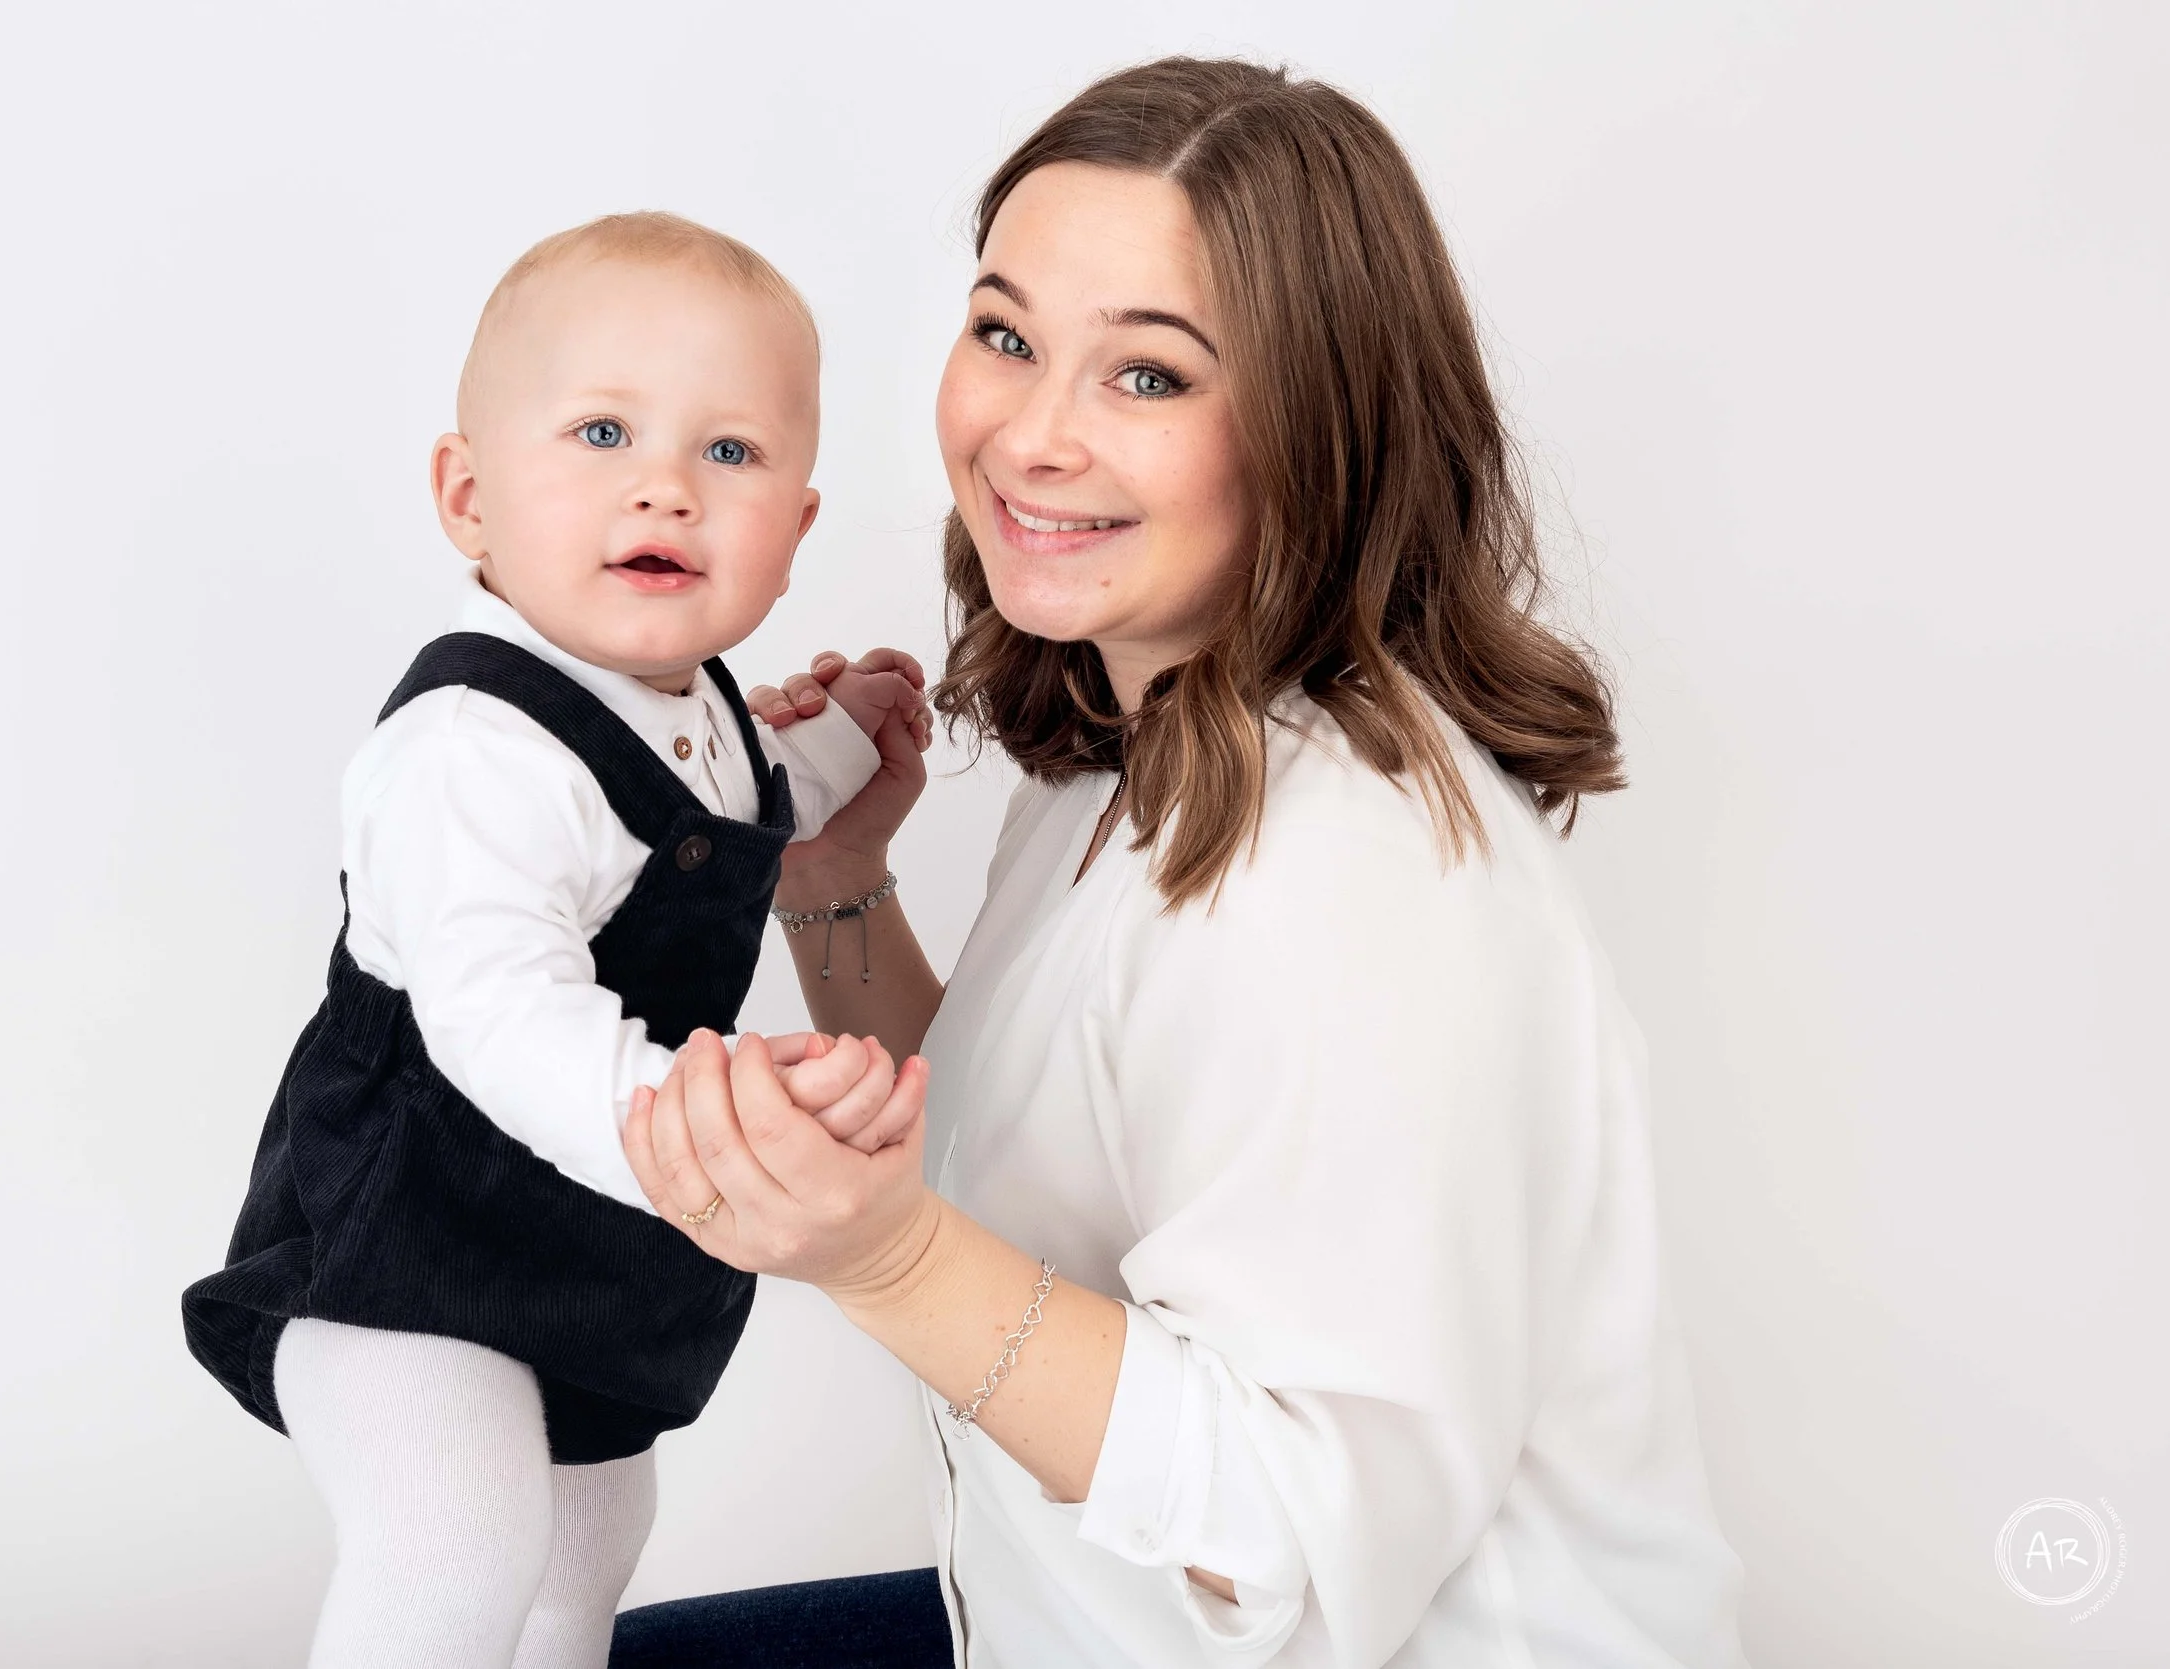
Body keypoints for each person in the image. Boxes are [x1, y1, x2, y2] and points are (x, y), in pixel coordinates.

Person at [611, 59, 1752, 1669]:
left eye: (1146, 376)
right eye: (1007, 337)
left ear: (1314, 427)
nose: (1031, 436)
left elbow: (1283, 1537)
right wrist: (832, 884)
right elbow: (1028, 1152)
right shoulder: (1139, 737)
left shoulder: (1349, 877)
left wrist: (882, 1259)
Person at [181, 211, 934, 1669]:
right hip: (408, 1244)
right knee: (455, 1539)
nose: (666, 485)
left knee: (587, 1546)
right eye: (601, 432)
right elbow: (497, 1015)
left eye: (730, 452)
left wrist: (845, 741)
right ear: (469, 498)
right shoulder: (469, 751)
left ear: (795, 534)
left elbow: (750, 809)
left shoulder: (704, 706)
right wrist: (704, 1123)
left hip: (588, 1249)